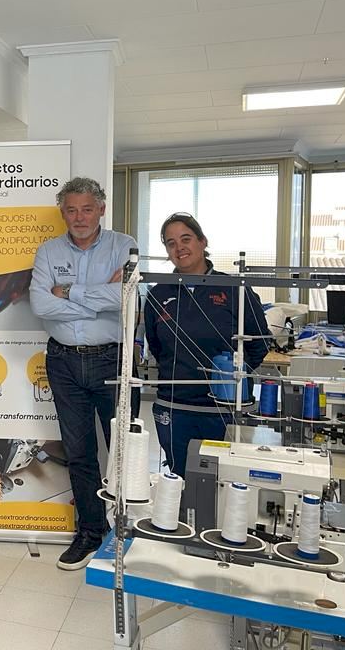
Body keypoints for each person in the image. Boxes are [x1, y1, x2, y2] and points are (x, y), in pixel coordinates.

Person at [30, 176, 138, 571]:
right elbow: (41, 305)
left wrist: (69, 291)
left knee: (123, 452)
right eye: (72, 210)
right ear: (63, 212)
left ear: (101, 210)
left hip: (113, 359)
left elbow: (126, 298)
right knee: (79, 453)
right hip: (63, 362)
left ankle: (126, 533)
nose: (79, 217)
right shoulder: (48, 251)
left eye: (87, 209)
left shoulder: (124, 246)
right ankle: (90, 532)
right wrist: (98, 297)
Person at [144, 212, 269, 478]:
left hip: (222, 409)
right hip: (175, 407)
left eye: (186, 239)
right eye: (171, 243)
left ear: (202, 241)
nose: (179, 247)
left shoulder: (234, 288)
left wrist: (231, 376)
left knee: (224, 481)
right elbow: (156, 346)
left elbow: (260, 342)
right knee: (179, 480)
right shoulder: (158, 293)